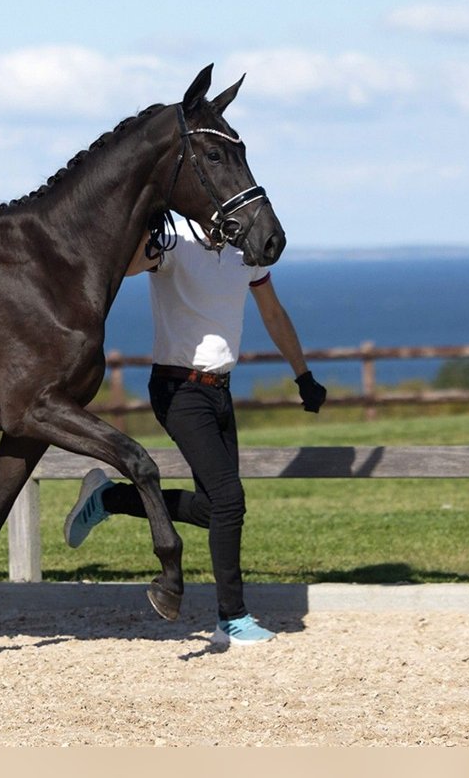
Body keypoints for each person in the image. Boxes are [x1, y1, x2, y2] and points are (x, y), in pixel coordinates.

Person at [65, 220, 326, 646]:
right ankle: (232, 619)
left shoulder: (246, 251)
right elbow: (125, 267)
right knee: (230, 500)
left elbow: (273, 313)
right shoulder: (173, 240)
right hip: (178, 388)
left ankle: (108, 498)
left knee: (213, 509)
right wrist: (148, 226)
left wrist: (303, 374)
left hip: (220, 391)